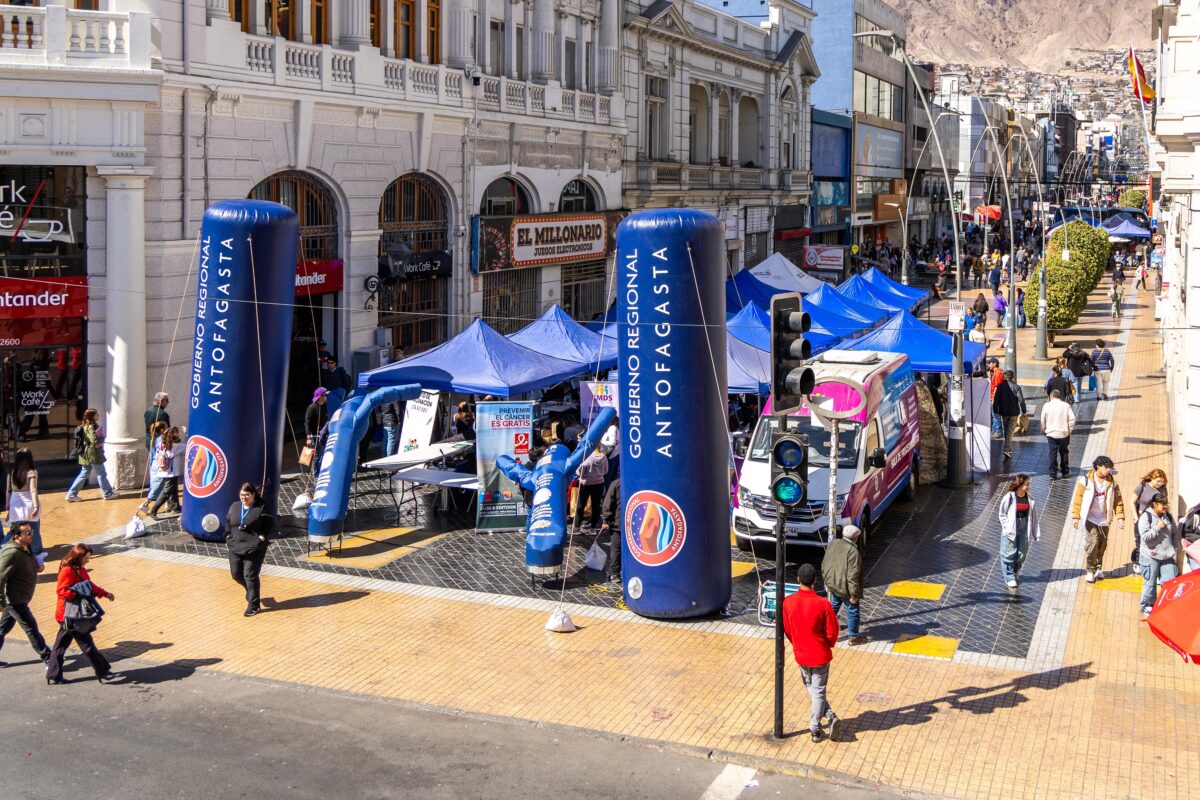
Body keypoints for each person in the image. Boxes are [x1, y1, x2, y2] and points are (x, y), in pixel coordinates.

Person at [781, 563, 840, 743]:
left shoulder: (788, 603)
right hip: (821, 655)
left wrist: (797, 643)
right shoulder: (824, 604)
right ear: (815, 580)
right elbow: (832, 632)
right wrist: (827, 644)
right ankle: (817, 727)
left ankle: (826, 718)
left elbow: (787, 629)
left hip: (801, 654)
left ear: (798, 580)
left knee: (811, 687)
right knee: (818, 691)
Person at [46, 543, 116, 685]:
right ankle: (102, 670)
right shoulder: (67, 570)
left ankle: (53, 674)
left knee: (60, 646)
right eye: (86, 558)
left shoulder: (80, 569)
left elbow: (90, 585)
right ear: (78, 556)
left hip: (71, 615)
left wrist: (104, 593)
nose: (88, 561)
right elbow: (62, 591)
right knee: (87, 644)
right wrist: (79, 590)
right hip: (69, 616)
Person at [0, 521, 51, 665]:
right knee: (31, 628)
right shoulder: (11, 553)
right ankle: (48, 657)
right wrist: (1, 602)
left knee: (3, 628)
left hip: (22, 596)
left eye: (31, 532)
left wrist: (38, 567)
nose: (31, 535)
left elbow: (26, 566)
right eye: (27, 533)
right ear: (17, 536)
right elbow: (1, 577)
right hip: (15, 600)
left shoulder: (26, 547)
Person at [1071, 456, 1126, 583]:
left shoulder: (1112, 483)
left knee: (1102, 543)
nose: (1108, 470)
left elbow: (1118, 501)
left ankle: (1098, 567)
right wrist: (1076, 516)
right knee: (1093, 543)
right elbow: (1078, 499)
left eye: (1109, 468)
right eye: (1106, 467)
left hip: (1105, 519)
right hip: (1091, 518)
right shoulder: (1085, 481)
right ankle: (1090, 569)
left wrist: (1120, 517)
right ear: (1097, 467)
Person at [225, 482, 274, 617]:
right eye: (242, 495)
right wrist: (228, 535)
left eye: (247, 495)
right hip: (235, 546)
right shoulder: (235, 507)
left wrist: (262, 538)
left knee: (250, 575)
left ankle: (254, 605)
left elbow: (269, 524)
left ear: (253, 495)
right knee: (236, 574)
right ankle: (251, 591)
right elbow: (227, 521)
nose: (244, 497)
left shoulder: (260, 508)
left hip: (254, 548)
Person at [821, 525, 866, 646]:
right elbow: (853, 576)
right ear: (855, 538)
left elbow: (825, 562)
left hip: (833, 584)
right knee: (853, 610)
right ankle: (853, 637)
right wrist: (854, 594)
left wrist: (827, 579)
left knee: (833, 607)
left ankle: (823, 630)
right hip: (845, 588)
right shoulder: (853, 552)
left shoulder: (834, 543)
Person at [1137, 493, 1180, 617]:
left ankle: (1166, 604)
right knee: (1150, 584)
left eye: (1166, 504)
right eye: (1163, 504)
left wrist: (1174, 548)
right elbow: (1144, 537)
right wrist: (1157, 528)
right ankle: (1147, 606)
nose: (1165, 506)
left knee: (1169, 583)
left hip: (1167, 556)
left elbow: (1175, 534)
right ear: (1155, 504)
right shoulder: (1146, 517)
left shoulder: (1168, 517)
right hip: (1150, 557)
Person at [998, 474, 1041, 589]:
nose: (1028, 486)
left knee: (1022, 552)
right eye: (1026, 484)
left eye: (1028, 484)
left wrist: (1035, 532)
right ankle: (1009, 576)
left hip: (1024, 526)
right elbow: (1002, 514)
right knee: (1009, 553)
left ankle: (1015, 571)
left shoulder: (1030, 498)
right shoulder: (1010, 497)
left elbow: (1034, 516)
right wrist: (1007, 528)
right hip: (1012, 527)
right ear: (1020, 484)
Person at [65, 408, 116, 502]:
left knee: (84, 474)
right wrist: (101, 437)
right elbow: (94, 442)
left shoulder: (85, 426)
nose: (98, 415)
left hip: (85, 455)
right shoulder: (90, 427)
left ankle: (71, 494)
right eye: (96, 414)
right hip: (93, 455)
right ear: (92, 416)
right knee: (101, 473)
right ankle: (108, 493)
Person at [5, 447, 43, 555]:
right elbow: (33, 490)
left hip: (15, 502)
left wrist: (8, 506)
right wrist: (36, 506)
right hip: (29, 502)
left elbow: (9, 490)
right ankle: (36, 551)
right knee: (33, 528)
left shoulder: (12, 471)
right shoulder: (32, 472)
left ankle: (6, 548)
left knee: (15, 529)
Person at [1131, 468, 1169, 566]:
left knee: (1156, 541)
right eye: (1158, 481)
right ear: (1152, 478)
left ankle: (1154, 562)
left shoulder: (1163, 489)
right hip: (1142, 518)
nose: (1160, 483)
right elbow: (1132, 502)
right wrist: (1135, 517)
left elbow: (1164, 504)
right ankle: (1138, 562)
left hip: (1157, 519)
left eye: (1162, 481)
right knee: (1140, 540)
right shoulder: (1142, 487)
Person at [146, 427, 185, 519]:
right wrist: (186, 433)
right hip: (171, 472)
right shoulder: (176, 446)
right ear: (174, 434)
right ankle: (154, 510)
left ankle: (175, 507)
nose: (178, 434)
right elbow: (189, 446)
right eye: (177, 432)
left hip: (163, 471)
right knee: (166, 492)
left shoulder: (161, 444)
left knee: (174, 489)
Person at [1040, 389, 1076, 480]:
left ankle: (1053, 473)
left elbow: (1042, 419)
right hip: (1064, 433)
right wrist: (1070, 429)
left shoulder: (1046, 405)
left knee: (1052, 453)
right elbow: (1072, 419)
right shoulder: (1066, 405)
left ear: (1051, 396)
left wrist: (1043, 429)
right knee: (1064, 452)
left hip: (1051, 433)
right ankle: (1065, 472)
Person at [992, 369, 1025, 460]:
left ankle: (1008, 449)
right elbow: (1021, 400)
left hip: (1004, 412)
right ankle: (1007, 449)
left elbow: (996, 399)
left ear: (1005, 377)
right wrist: (1024, 410)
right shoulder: (1016, 387)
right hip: (1014, 412)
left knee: (1007, 429)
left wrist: (995, 410)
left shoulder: (1000, 386)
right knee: (1010, 431)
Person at [573, 446, 608, 531]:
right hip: (599, 483)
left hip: (586, 484)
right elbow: (606, 471)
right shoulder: (604, 457)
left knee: (581, 504)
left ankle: (577, 526)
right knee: (596, 506)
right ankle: (593, 528)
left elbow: (578, 472)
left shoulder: (587, 458)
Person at [599, 476, 622, 581]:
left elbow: (607, 504)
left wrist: (606, 520)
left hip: (618, 523)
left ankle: (615, 574)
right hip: (633, 524)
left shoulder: (616, 483)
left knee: (616, 548)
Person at [304, 388, 329, 474]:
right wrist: (308, 436)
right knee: (317, 455)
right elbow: (307, 422)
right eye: (324, 395)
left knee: (322, 453)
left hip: (323, 434)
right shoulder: (312, 407)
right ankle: (316, 474)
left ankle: (319, 471)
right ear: (319, 397)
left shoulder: (324, 406)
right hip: (315, 435)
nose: (326, 397)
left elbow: (325, 417)